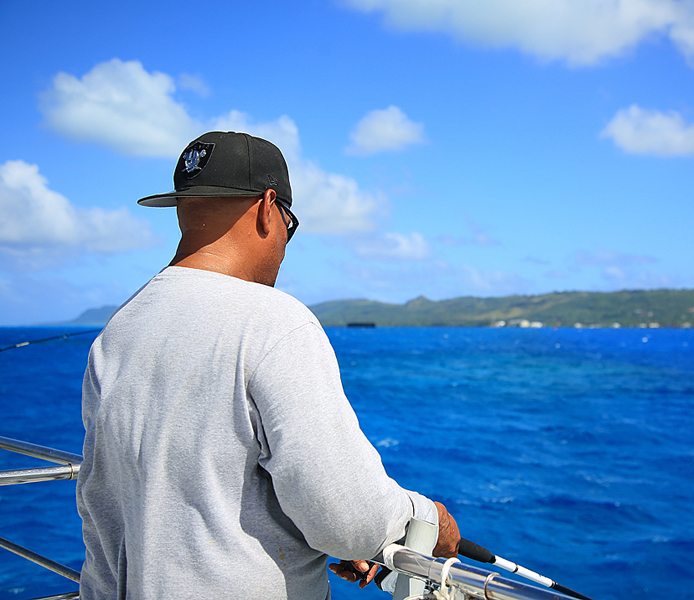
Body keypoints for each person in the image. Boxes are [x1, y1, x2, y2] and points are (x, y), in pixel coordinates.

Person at [76, 131, 460, 600]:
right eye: (288, 224)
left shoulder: (118, 330)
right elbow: (347, 516)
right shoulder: (274, 321)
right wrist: (425, 519)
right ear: (267, 206)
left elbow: (133, 496)